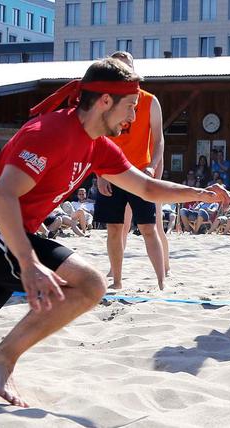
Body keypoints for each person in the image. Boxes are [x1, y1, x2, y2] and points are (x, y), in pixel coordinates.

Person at [0, 58, 230, 408]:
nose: (132, 118)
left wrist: (200, 193)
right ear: (104, 102)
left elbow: (146, 187)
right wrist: (28, 262)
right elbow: (1, 195)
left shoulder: (97, 144)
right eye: (130, 107)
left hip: (7, 235)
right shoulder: (49, 133)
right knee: (91, 284)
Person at [93, 51, 169, 291]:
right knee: (115, 227)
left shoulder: (149, 100)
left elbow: (159, 140)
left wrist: (153, 166)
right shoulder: (105, 101)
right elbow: (96, 137)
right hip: (113, 172)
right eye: (119, 68)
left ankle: (162, 280)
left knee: (150, 226)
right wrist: (99, 174)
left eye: (127, 68)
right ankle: (117, 280)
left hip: (140, 172)